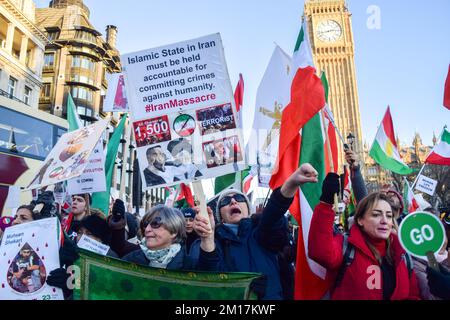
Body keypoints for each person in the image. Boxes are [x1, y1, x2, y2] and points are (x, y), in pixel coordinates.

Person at [192, 163, 319, 300]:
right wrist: (208, 237)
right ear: (220, 217)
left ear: (248, 210)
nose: (233, 201)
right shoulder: (215, 243)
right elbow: (209, 279)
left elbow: (272, 215)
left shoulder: (260, 233)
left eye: (239, 199)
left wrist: (291, 184)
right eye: (226, 201)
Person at [308, 173, 420, 300]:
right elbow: (320, 252)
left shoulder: (403, 255)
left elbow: (413, 295)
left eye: (389, 216)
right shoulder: (346, 247)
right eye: (376, 215)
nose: (384, 220)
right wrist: (326, 204)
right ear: (360, 220)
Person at [121, 205, 194, 270]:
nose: (147, 229)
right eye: (146, 224)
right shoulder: (129, 261)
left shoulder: (190, 266)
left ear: (173, 231)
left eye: (155, 223)